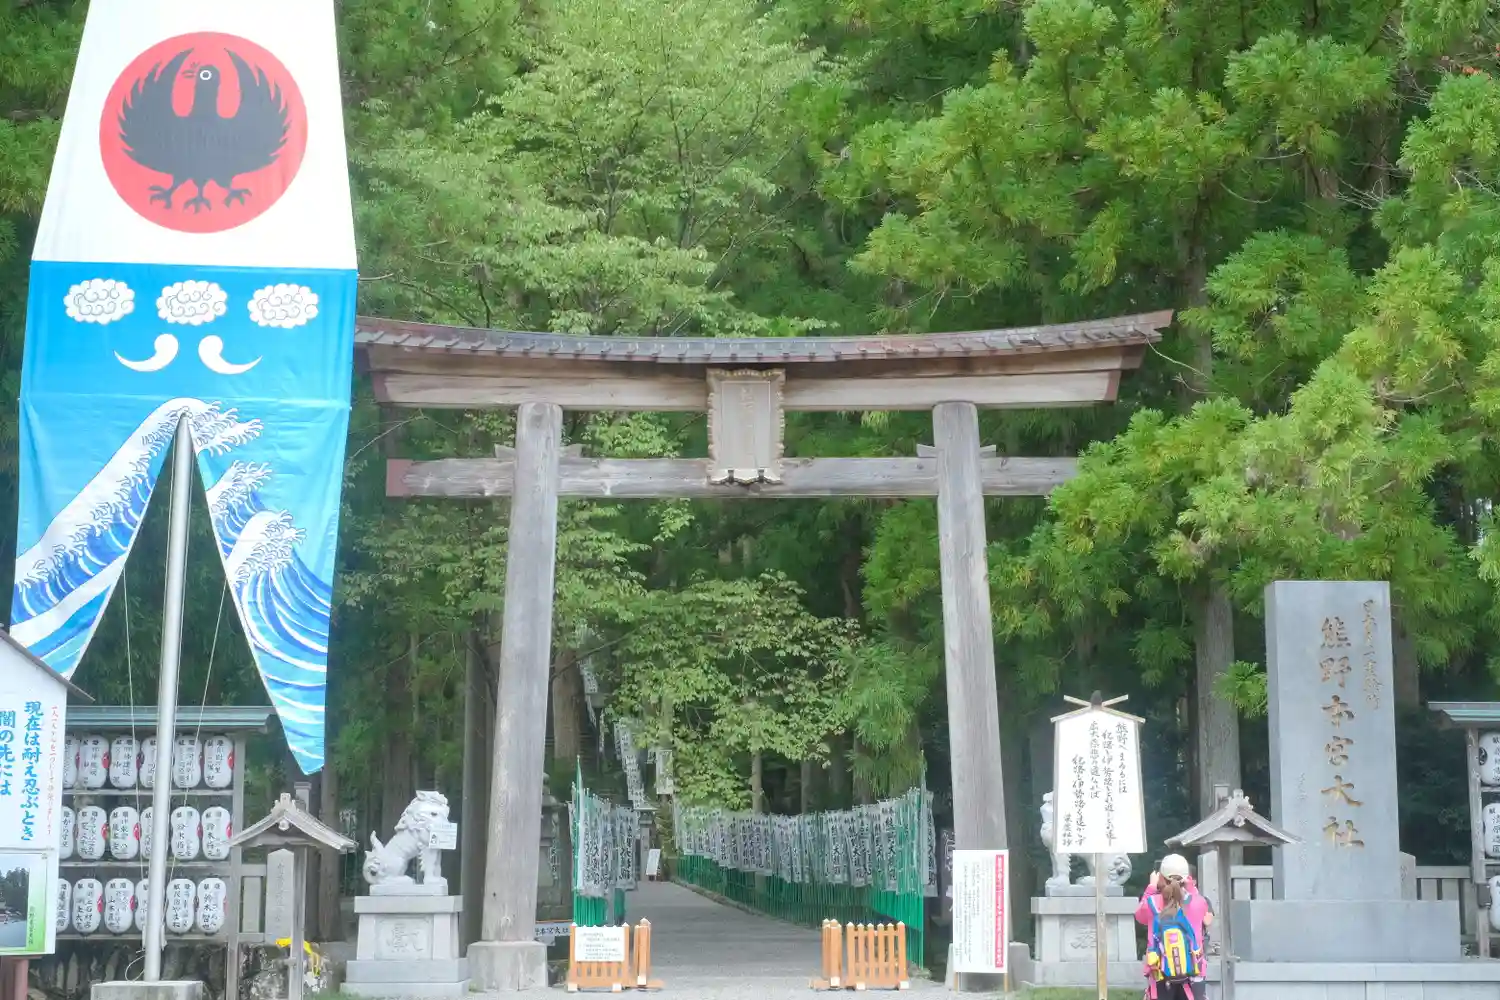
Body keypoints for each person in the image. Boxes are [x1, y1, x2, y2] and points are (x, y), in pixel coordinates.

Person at [1136, 853, 1211, 1000]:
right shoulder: (1199, 902)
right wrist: (1190, 886)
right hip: (1193, 973)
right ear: (1187, 878)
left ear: (1161, 877)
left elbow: (1140, 916)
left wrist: (1151, 887)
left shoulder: (1151, 903)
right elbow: (1199, 908)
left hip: (1160, 973)